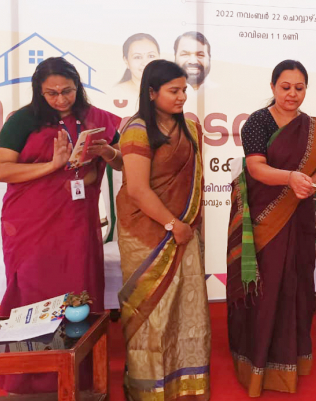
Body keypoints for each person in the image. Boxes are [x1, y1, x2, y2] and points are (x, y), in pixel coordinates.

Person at [0, 56, 122, 393]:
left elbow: (122, 157)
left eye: (68, 91)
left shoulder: (96, 119)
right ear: (39, 92)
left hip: (77, 222)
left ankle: (80, 375)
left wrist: (101, 157)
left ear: (79, 87)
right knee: (33, 293)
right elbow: (0, 170)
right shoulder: (23, 120)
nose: (61, 99)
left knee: (80, 290)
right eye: (51, 93)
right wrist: (52, 165)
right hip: (31, 222)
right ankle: (30, 378)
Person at [226, 60, 316, 397]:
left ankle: (291, 360)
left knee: (296, 286)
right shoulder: (258, 122)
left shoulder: (312, 129)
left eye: (299, 88)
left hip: (298, 217)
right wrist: (291, 179)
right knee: (265, 286)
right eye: (285, 87)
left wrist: (309, 185)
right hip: (265, 219)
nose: (292, 94)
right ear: (273, 87)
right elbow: (256, 167)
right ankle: (256, 362)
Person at [116, 59, 211, 400]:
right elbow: (138, 190)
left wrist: (183, 228)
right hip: (148, 234)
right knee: (152, 316)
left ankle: (186, 385)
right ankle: (149, 389)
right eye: (174, 91)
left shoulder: (190, 128)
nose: (182, 97)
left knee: (186, 313)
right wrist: (173, 225)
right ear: (152, 92)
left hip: (182, 232)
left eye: (184, 90)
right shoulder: (137, 129)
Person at [114, 33, 160, 98]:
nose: (145, 63)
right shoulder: (117, 92)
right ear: (126, 61)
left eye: (151, 56)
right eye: (137, 57)